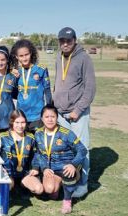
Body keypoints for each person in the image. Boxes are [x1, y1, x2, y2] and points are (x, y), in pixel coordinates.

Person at [54, 27, 96, 198]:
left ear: (75, 41)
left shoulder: (84, 58)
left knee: (81, 148)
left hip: (77, 113)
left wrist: (78, 110)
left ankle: (82, 184)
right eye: (62, 40)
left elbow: (90, 88)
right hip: (60, 113)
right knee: (65, 149)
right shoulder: (58, 57)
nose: (65, 44)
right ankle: (68, 180)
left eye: (69, 41)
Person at [27, 105, 87, 214]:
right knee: (50, 190)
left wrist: (73, 164)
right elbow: (37, 153)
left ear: (57, 118)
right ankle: (58, 186)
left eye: (53, 116)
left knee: (68, 172)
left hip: (65, 167)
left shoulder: (66, 133)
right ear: (42, 118)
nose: (50, 119)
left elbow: (82, 150)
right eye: (47, 117)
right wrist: (43, 168)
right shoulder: (38, 133)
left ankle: (67, 200)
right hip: (50, 169)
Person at [10, 39, 52, 132]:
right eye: (21, 56)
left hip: (37, 116)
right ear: (16, 56)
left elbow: (47, 91)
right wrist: (14, 79)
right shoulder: (17, 72)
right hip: (21, 116)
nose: (24, 58)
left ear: (31, 53)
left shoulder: (41, 69)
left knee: (38, 144)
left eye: (26, 54)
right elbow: (14, 95)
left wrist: (49, 112)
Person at [0, 110, 40, 193]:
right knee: (7, 187)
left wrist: (35, 167)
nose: (20, 126)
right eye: (17, 122)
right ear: (12, 122)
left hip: (25, 173)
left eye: (23, 122)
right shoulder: (3, 137)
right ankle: (12, 187)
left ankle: (22, 186)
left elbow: (36, 155)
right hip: (8, 173)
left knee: (39, 189)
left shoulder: (30, 137)